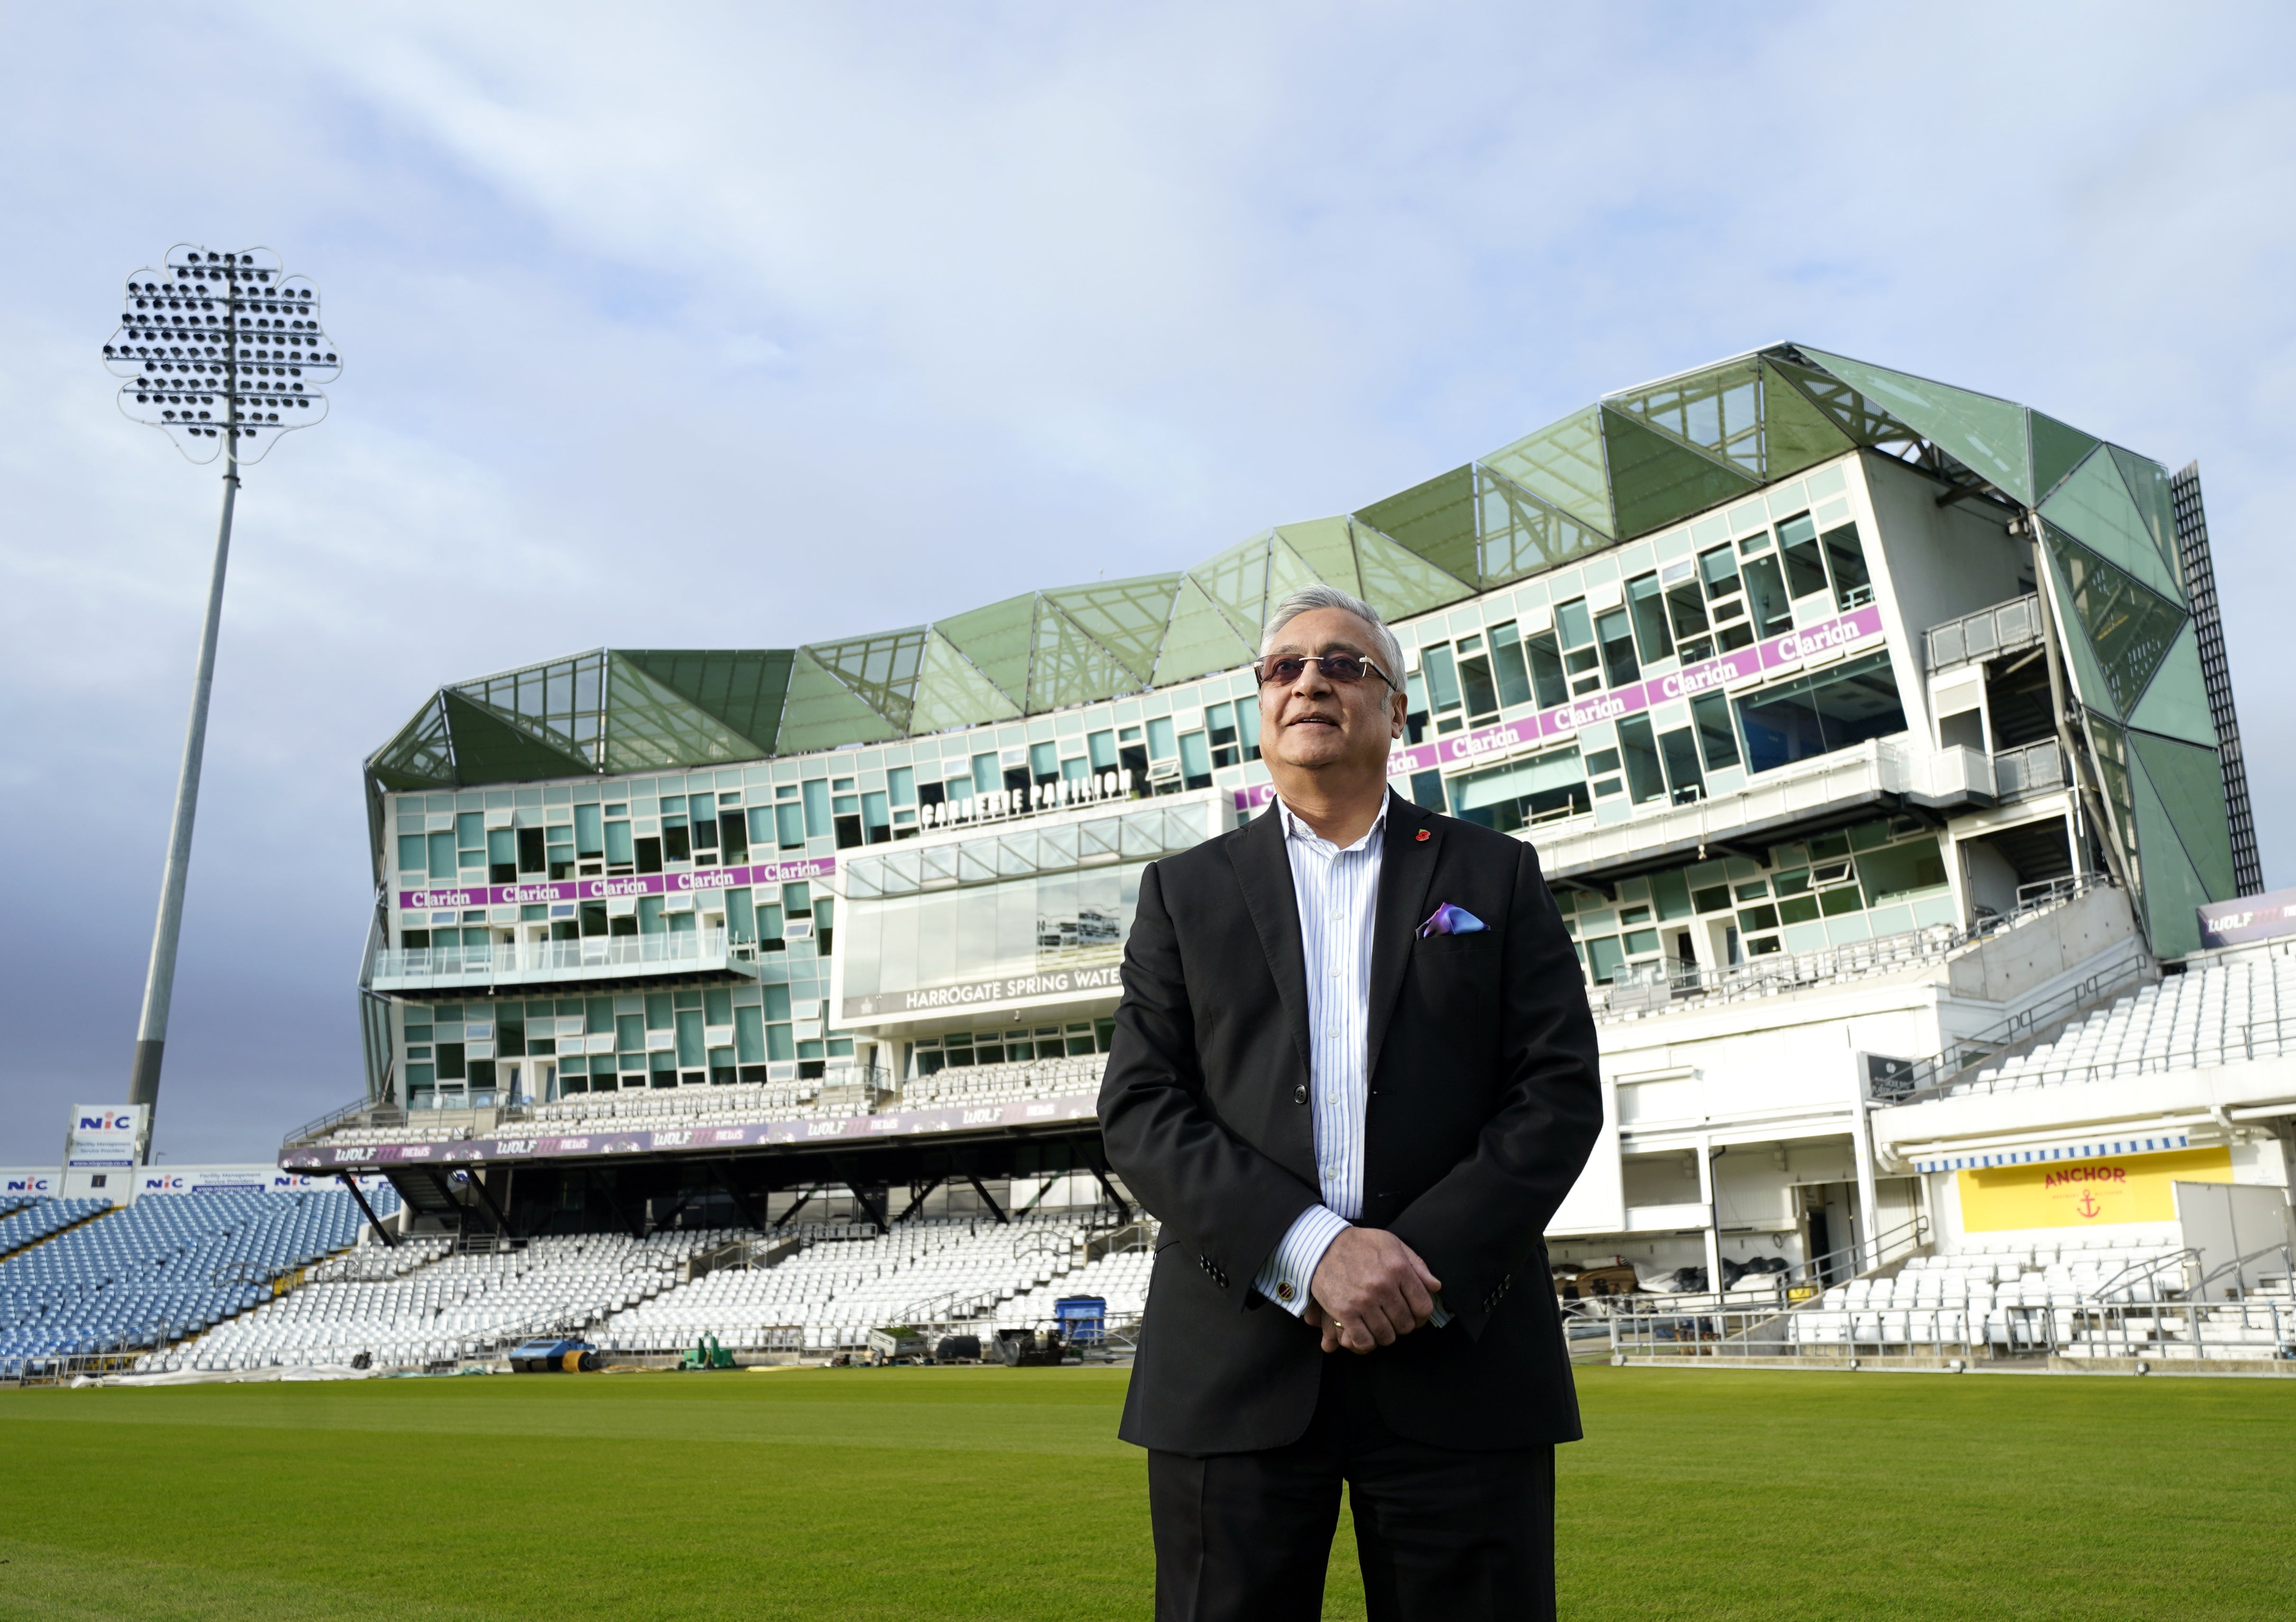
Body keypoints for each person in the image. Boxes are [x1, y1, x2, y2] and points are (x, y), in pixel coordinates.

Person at [1098, 583, 1603, 1622]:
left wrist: (1412, 1268)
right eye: (1283, 666)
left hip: (1460, 1357)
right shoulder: (1181, 893)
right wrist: (1316, 1249)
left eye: (1341, 663)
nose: (1309, 680)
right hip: (1231, 1366)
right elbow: (1141, 1108)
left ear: (1394, 710)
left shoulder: (1493, 876)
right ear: (1260, 707)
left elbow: (1554, 1094)